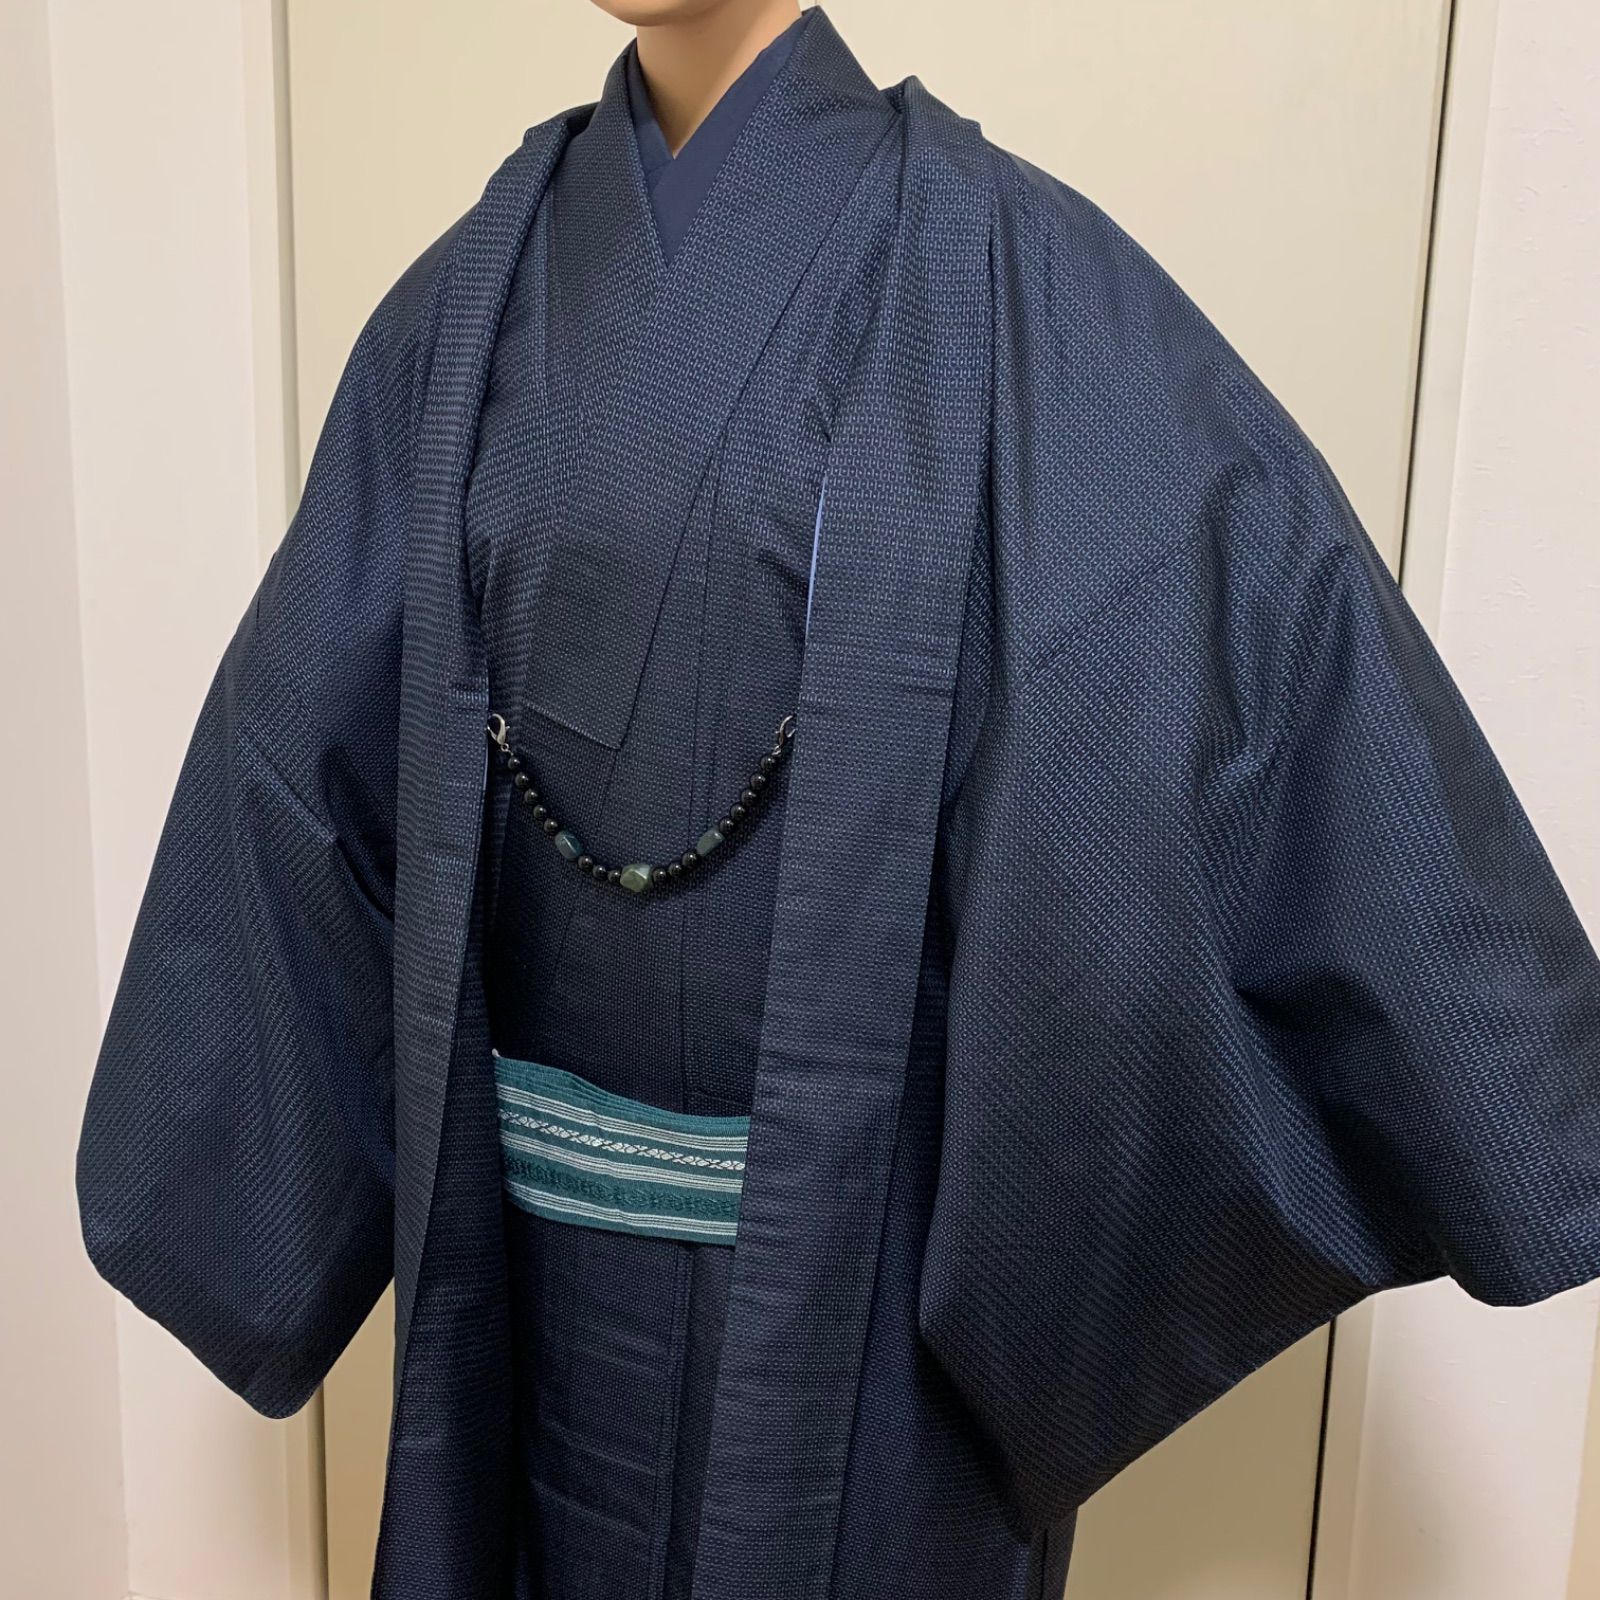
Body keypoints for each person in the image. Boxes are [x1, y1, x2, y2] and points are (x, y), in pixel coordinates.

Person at [75, 3, 1600, 1597]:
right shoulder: (469, 307)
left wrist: (1487, 1068)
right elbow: (302, 773)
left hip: (862, 1337)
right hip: (522, 1297)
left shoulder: (1009, 283)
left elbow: (1238, 671)